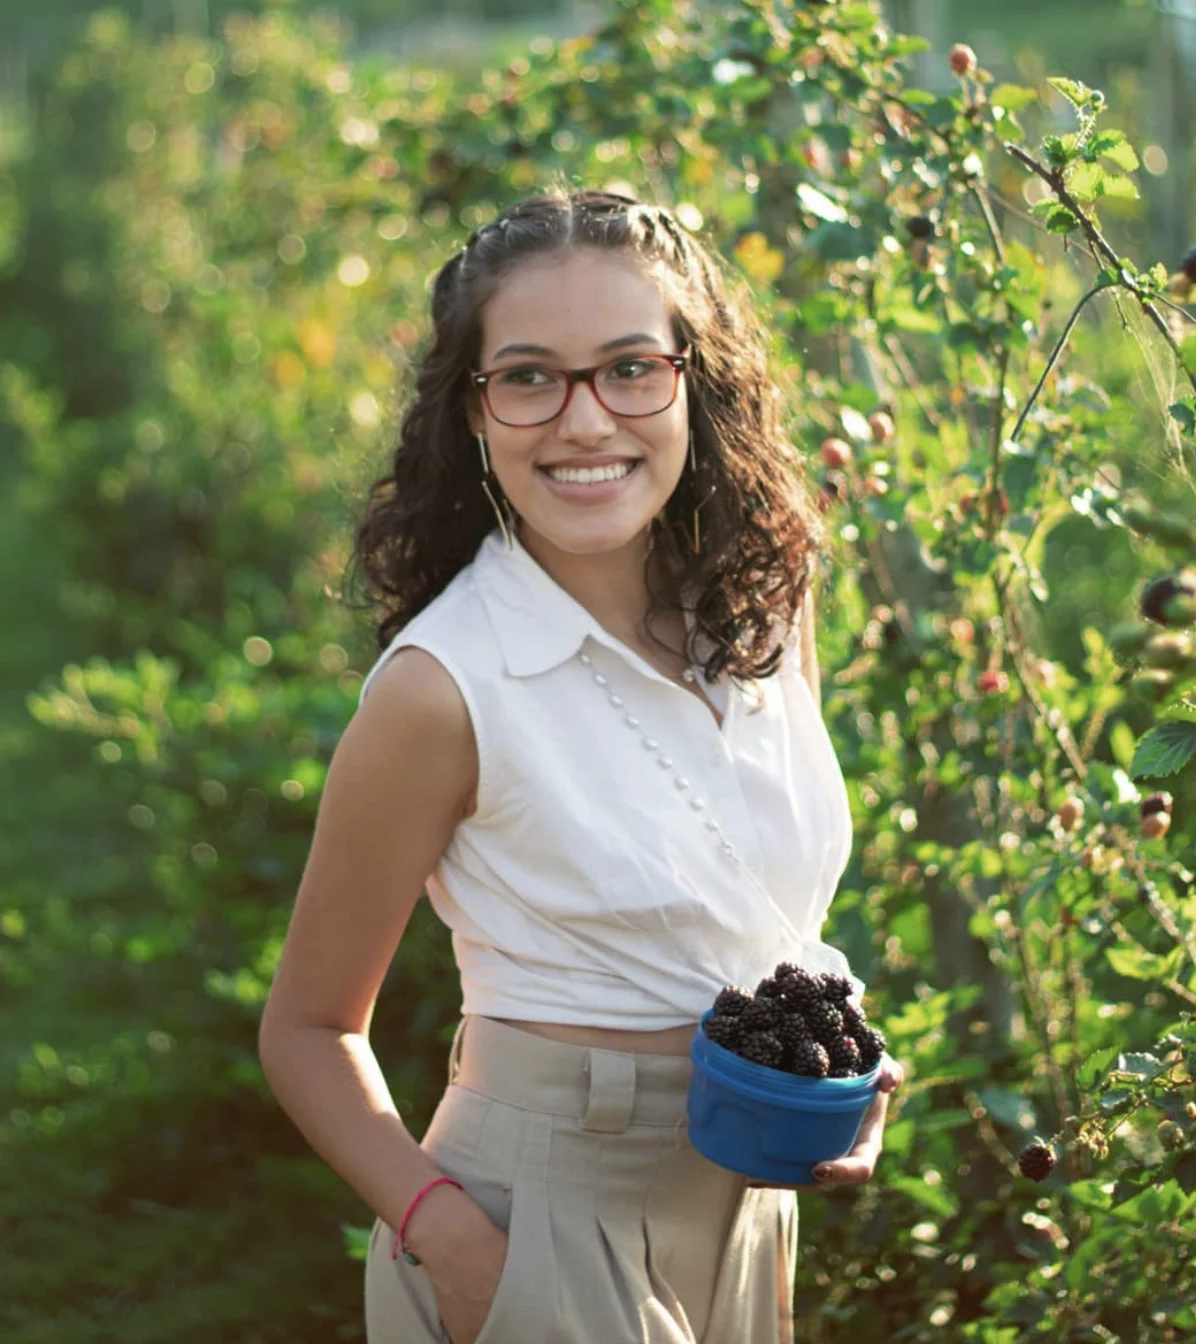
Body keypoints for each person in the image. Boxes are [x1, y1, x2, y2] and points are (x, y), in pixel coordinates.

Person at [257, 187, 904, 1344]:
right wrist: (452, 1245)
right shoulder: (444, 686)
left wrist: (842, 1055)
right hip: (535, 1218)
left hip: (751, 1199)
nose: (585, 421)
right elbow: (307, 1028)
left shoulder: (764, 605)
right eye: (528, 376)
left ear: (693, 385)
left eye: (628, 368)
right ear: (472, 411)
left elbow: (750, 898)